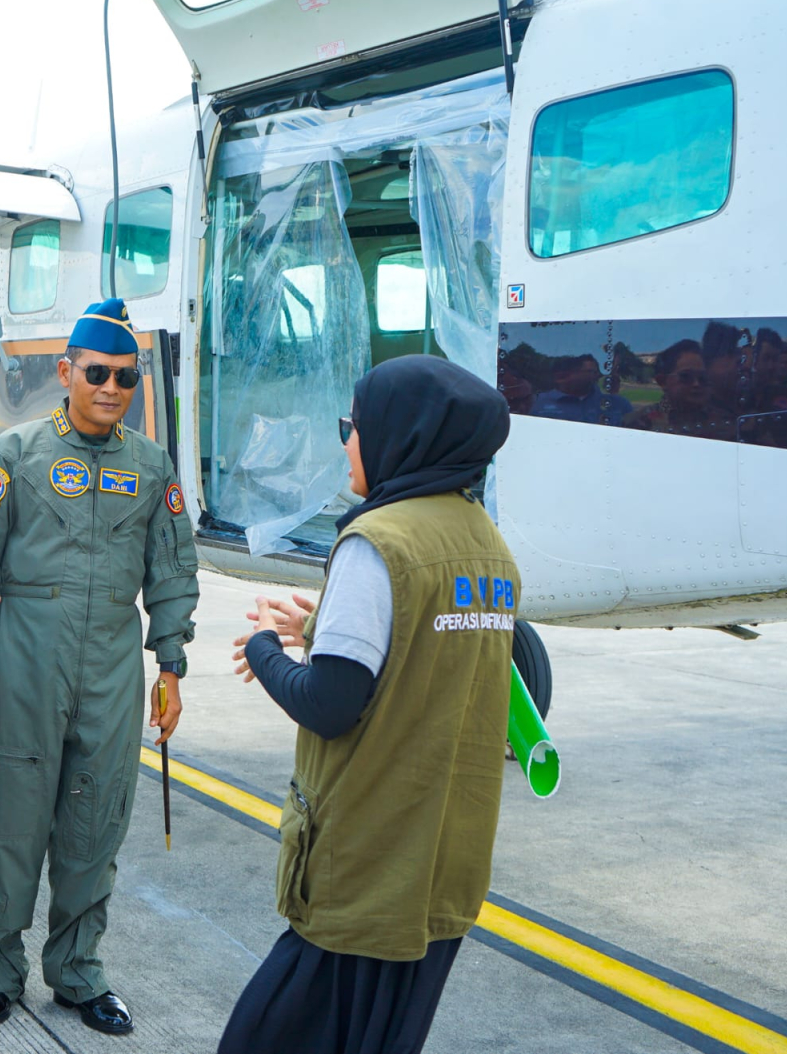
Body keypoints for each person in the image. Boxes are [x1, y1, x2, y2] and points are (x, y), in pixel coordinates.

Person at [223, 355, 520, 1054]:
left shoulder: (377, 541)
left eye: (353, 426)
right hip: (442, 866)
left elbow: (330, 703)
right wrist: (321, 630)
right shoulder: (488, 546)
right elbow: (424, 661)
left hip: (366, 867)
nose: (348, 443)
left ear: (400, 434)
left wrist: (265, 647)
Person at [0, 297, 199, 1035]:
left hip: (112, 669)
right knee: (9, 823)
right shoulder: (16, 455)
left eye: (126, 378)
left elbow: (172, 570)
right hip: (24, 661)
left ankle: (79, 971)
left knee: (96, 821)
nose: (112, 388)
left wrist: (171, 664)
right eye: (97, 373)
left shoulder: (151, 466)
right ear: (66, 373)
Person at [624, 339, 712, 437]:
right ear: (662, 381)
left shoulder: (721, 421)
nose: (696, 384)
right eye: (686, 376)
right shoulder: (637, 423)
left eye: (703, 377)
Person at [531, 353, 631, 425]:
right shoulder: (538, 402)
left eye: (598, 372)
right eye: (591, 372)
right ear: (568, 375)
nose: (598, 376)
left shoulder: (618, 403)